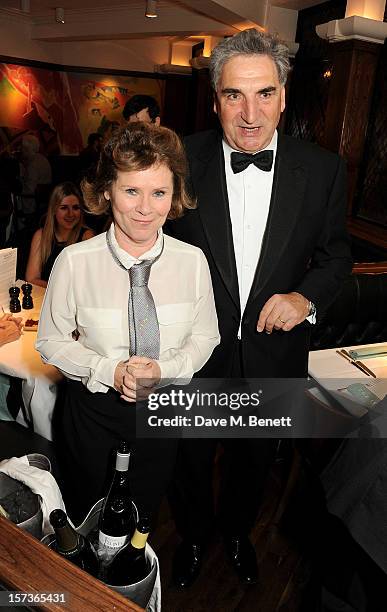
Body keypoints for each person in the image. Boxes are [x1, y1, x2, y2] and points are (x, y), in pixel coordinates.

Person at [166, 28, 353, 588]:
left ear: (284, 95)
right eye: (234, 96)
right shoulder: (179, 161)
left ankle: (237, 535)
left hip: (274, 355)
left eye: (264, 94)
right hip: (193, 354)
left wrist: (305, 298)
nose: (250, 114)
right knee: (190, 461)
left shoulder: (322, 170)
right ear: (215, 96)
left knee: (252, 462)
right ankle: (195, 536)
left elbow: (336, 256)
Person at [36, 123, 219, 523]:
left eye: (159, 193)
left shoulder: (193, 262)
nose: (145, 208)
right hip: (91, 416)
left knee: (142, 517)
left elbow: (206, 337)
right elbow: (49, 341)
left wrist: (165, 370)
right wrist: (108, 369)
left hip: (161, 415)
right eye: (131, 190)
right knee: (87, 515)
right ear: (106, 191)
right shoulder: (74, 262)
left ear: (174, 198)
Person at [25, 182, 94, 288]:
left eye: (75, 207)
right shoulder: (41, 236)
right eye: (64, 208)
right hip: (46, 299)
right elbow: (31, 278)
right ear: (53, 210)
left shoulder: (87, 237)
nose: (70, 214)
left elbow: (89, 283)